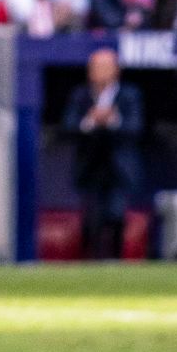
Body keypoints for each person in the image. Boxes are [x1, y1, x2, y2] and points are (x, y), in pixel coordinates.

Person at [61, 47, 143, 260]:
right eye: (96, 67)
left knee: (116, 216)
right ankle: (90, 262)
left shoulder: (129, 95)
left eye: (106, 67)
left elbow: (136, 128)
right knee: (91, 220)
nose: (100, 72)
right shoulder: (81, 95)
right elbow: (67, 127)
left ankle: (116, 261)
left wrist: (112, 120)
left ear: (117, 70)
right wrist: (90, 121)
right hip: (90, 166)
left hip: (118, 167)